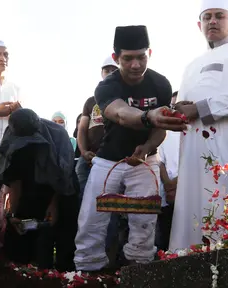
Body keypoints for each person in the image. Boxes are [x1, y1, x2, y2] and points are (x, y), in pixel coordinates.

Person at [73, 25, 186, 272]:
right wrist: (148, 117)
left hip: (145, 161)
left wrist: (147, 146)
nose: (135, 64)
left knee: (145, 222)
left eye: (141, 57)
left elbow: (161, 129)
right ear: (116, 58)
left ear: (150, 53)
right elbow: (120, 113)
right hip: (108, 159)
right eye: (128, 58)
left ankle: (138, 272)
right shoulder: (106, 87)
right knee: (91, 221)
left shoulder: (161, 84)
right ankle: (88, 273)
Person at [169, 0, 228, 252]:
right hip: (192, 150)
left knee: (227, 201)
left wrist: (200, 108)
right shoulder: (191, 65)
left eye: (219, 16)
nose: (213, 21)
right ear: (200, 24)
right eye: (207, 17)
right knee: (193, 206)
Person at [0, 108, 79, 271]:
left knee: (61, 241)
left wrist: (54, 205)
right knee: (19, 236)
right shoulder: (11, 136)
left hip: (61, 192)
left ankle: (61, 277)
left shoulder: (58, 136)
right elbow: (15, 180)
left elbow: (62, 176)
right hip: (30, 190)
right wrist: (13, 214)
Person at [76, 56, 118, 199]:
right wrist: (83, 151)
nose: (110, 73)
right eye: (107, 70)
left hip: (113, 160)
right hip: (89, 158)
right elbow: (82, 129)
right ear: (101, 73)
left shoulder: (125, 99)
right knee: (83, 199)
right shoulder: (90, 101)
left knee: (109, 205)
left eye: (114, 70)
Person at [155, 91, 180, 251]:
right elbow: (160, 161)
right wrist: (169, 185)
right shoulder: (164, 133)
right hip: (167, 192)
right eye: (172, 106)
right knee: (165, 235)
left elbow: (192, 161)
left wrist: (176, 184)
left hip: (186, 190)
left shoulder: (195, 131)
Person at [0, 39, 21, 196]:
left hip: (5, 155)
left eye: (5, 54)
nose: (2, 58)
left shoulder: (14, 88)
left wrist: (18, 112)